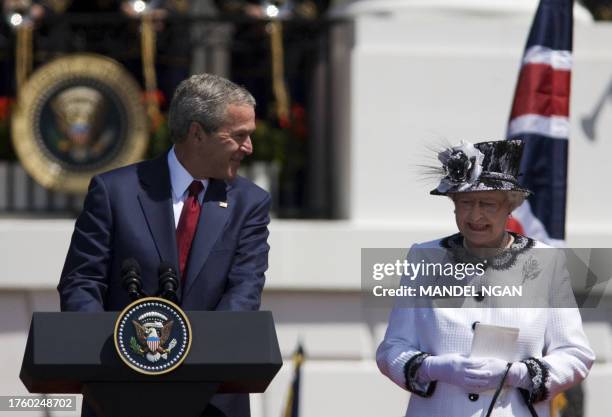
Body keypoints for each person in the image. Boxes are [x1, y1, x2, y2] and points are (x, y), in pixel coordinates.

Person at [58, 73, 270, 417]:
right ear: (197, 133)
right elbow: (81, 283)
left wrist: (194, 359)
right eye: (239, 136)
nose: (249, 148)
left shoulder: (250, 203)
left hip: (211, 397)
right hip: (120, 393)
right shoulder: (115, 192)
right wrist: (112, 357)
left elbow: (244, 291)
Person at [376, 139, 594, 417]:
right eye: (466, 203)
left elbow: (576, 355)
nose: (475, 215)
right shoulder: (425, 257)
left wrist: (517, 375)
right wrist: (436, 368)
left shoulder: (546, 262)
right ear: (454, 205)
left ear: (509, 208)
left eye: (488, 204)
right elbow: (391, 350)